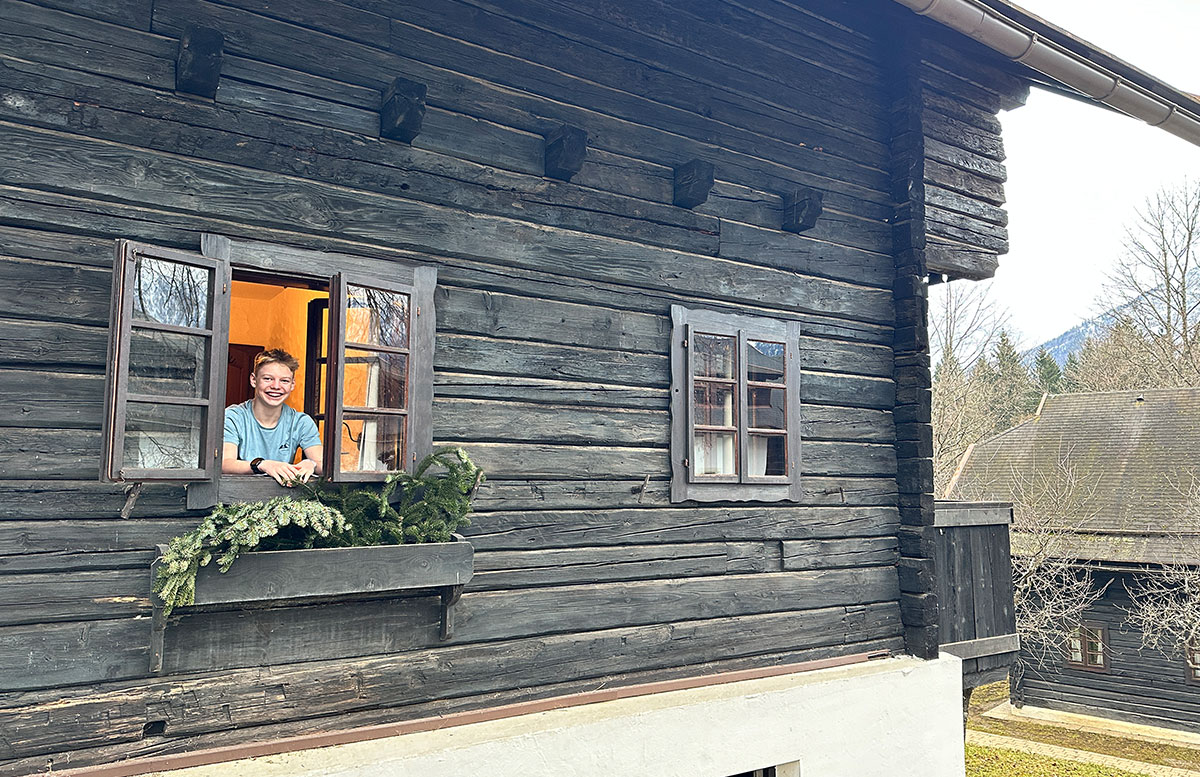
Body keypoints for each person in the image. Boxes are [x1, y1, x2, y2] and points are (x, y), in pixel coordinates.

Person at [222, 349, 322, 485]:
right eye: (268, 379)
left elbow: (323, 464)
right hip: (237, 496)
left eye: (284, 381)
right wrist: (262, 465)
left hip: (284, 497)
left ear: (292, 384)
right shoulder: (233, 417)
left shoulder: (301, 422)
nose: (276, 386)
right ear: (253, 380)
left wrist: (311, 464)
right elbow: (225, 463)